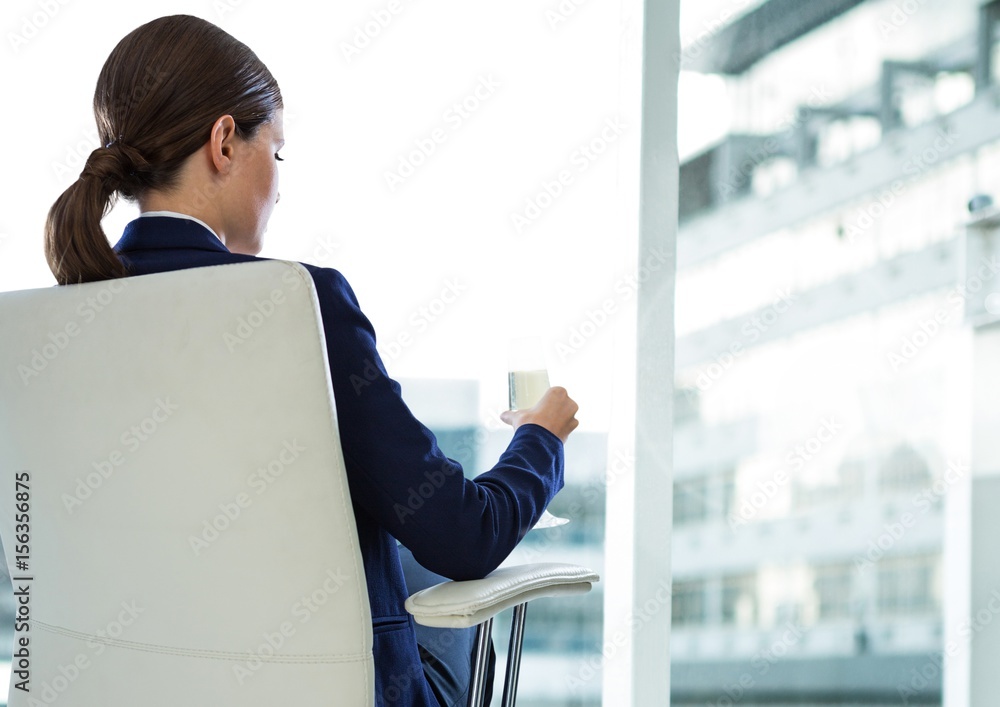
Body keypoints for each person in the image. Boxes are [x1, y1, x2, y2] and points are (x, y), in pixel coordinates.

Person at [44, 14, 579, 707]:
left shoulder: (57, 324)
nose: (280, 180)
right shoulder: (303, 304)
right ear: (225, 142)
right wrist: (541, 440)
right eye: (278, 151)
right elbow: (464, 536)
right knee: (422, 554)